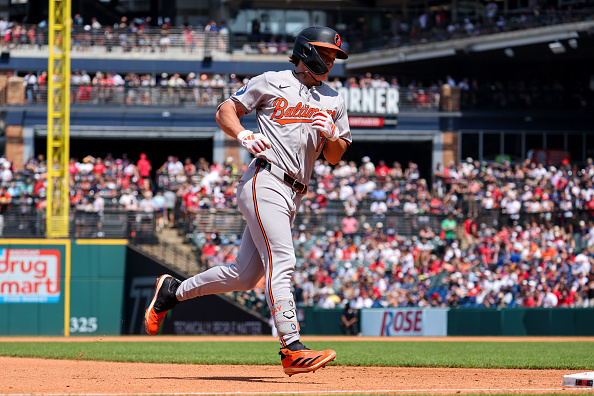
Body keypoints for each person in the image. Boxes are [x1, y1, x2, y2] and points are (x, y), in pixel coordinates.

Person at [144, 26, 350, 376]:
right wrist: (242, 133)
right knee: (283, 259)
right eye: (326, 53)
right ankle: (291, 346)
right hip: (264, 179)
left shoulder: (333, 99)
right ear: (305, 51)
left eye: (333, 56)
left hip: (295, 192)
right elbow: (226, 109)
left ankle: (171, 293)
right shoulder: (271, 81)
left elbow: (335, 155)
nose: (330, 60)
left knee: (243, 275)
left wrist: (330, 134)